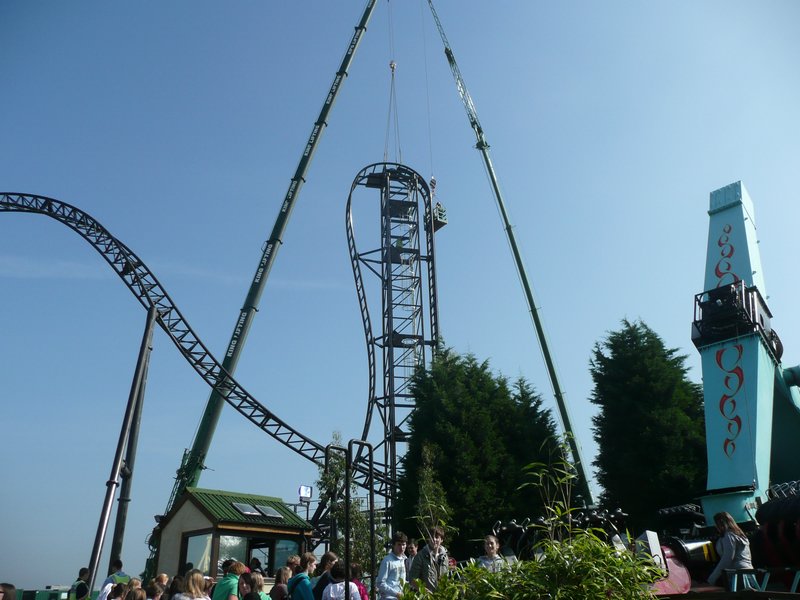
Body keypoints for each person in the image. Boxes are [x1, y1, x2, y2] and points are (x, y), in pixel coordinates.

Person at [707, 511, 756, 589]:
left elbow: (727, 558)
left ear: (720, 524)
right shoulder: (740, 535)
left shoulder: (729, 536)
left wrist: (712, 577)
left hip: (737, 575)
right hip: (748, 573)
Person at [408, 527, 448, 592]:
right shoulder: (420, 556)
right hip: (425, 595)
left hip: (441, 594)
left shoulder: (445, 557)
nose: (434, 539)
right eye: (431, 537)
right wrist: (425, 592)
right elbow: (412, 580)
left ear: (442, 540)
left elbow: (446, 578)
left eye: (436, 537)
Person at [377, 531, 407, 600]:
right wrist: (396, 593)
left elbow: (402, 581)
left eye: (403, 544)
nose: (401, 547)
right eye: (399, 544)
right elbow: (380, 583)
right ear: (393, 545)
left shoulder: (404, 559)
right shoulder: (387, 560)